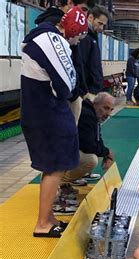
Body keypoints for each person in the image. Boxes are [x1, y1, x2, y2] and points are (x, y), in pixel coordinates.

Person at [21, 6, 89, 237]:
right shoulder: (51, 41)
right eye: (79, 36)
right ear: (71, 29)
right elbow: (65, 86)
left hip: (41, 112)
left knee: (53, 167)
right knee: (55, 167)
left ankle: (48, 217)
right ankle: (42, 224)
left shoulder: (43, 36)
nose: (78, 42)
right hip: (46, 114)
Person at [34, 0, 93, 124]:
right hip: (60, 97)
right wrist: (76, 94)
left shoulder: (53, 26)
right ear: (70, 3)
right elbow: (68, 63)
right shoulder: (59, 29)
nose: (84, 16)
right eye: (83, 10)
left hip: (62, 94)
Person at [60, 93, 115, 196]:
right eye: (106, 108)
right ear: (95, 104)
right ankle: (59, 182)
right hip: (59, 151)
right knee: (91, 160)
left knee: (94, 155)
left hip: (65, 149)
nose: (108, 113)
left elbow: (97, 138)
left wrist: (106, 153)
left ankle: (62, 182)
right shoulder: (87, 114)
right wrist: (107, 152)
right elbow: (88, 146)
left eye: (111, 110)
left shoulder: (93, 114)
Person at [79, 5, 109, 102]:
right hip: (87, 91)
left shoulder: (92, 37)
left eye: (103, 25)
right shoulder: (85, 37)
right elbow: (81, 64)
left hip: (92, 90)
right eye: (100, 23)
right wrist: (85, 90)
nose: (101, 28)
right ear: (90, 17)